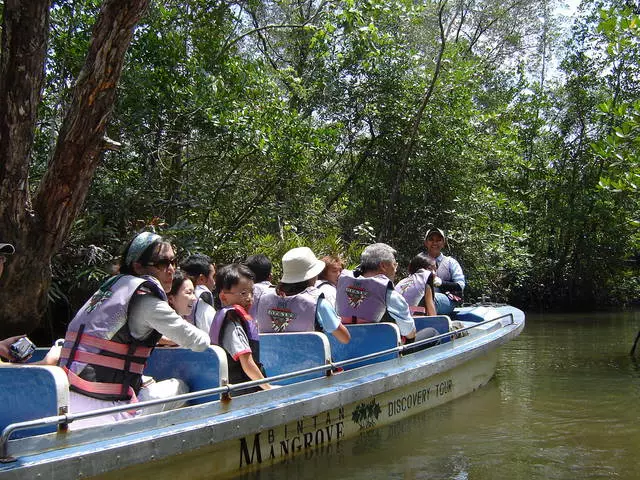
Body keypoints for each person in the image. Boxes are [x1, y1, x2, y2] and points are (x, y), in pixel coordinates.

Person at [58, 231, 210, 427]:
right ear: (138, 266)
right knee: (180, 387)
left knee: (147, 381)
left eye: (174, 261)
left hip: (70, 399)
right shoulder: (147, 300)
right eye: (163, 263)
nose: (171, 269)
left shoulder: (108, 291)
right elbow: (198, 342)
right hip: (112, 407)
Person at [336, 243, 438, 344]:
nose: (395, 269)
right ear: (383, 266)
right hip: (378, 351)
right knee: (432, 333)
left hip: (345, 348)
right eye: (395, 264)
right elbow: (409, 333)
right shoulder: (389, 294)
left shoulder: (340, 282)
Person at [254, 247, 350, 344]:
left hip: (269, 358)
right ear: (313, 275)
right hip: (309, 358)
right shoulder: (318, 303)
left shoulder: (263, 297)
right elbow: (344, 338)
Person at [209, 263, 274, 395]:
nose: (249, 298)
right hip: (241, 393)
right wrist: (269, 389)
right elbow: (247, 364)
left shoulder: (229, 317)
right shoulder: (232, 323)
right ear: (223, 296)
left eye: (252, 292)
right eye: (243, 293)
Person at [423, 228, 465, 314]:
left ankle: (431, 322)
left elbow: (460, 286)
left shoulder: (450, 262)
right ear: (426, 242)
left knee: (430, 299)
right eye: (431, 240)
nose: (434, 243)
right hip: (422, 297)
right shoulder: (420, 261)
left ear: (443, 243)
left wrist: (441, 283)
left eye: (438, 240)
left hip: (447, 299)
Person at [180, 254, 216, 333]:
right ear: (202, 279)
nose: (214, 282)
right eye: (213, 276)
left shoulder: (167, 302)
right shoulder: (205, 311)